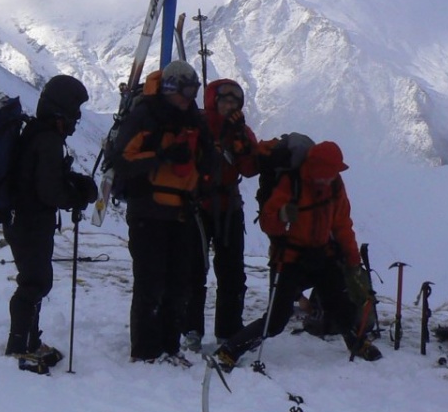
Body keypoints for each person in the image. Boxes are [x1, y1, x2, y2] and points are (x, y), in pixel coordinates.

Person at [212, 139, 381, 367]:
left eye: (333, 172)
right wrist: (281, 216)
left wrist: (352, 260)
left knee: (339, 305)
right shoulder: (292, 182)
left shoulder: (334, 184)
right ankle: (231, 349)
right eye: (328, 172)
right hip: (290, 258)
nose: (330, 176)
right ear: (317, 167)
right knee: (275, 320)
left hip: (322, 254)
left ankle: (356, 342)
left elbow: (341, 224)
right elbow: (267, 222)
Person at [112, 59, 214, 365]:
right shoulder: (146, 115)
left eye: (193, 92)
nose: (188, 98)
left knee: (178, 283)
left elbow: (205, 160)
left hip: (182, 212)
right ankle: (145, 352)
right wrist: (162, 156)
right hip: (148, 212)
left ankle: (170, 347)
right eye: (185, 91)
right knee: (150, 282)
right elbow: (122, 160)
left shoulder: (194, 120)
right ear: (170, 88)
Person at [3, 74, 98, 371]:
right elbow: (49, 190)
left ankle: (28, 340)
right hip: (30, 222)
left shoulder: (38, 133)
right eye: (75, 110)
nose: (77, 118)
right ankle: (20, 345)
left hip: (25, 220)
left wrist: (73, 183)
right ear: (62, 110)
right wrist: (76, 194)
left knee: (35, 280)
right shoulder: (47, 140)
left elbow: (41, 179)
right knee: (35, 282)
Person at [188, 78, 260, 348]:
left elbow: (251, 168)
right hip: (199, 207)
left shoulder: (239, 130)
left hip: (227, 207)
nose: (230, 105)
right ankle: (191, 330)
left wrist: (240, 137)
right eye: (225, 100)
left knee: (232, 273)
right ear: (212, 100)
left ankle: (228, 331)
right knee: (194, 271)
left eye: (234, 101)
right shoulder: (197, 127)